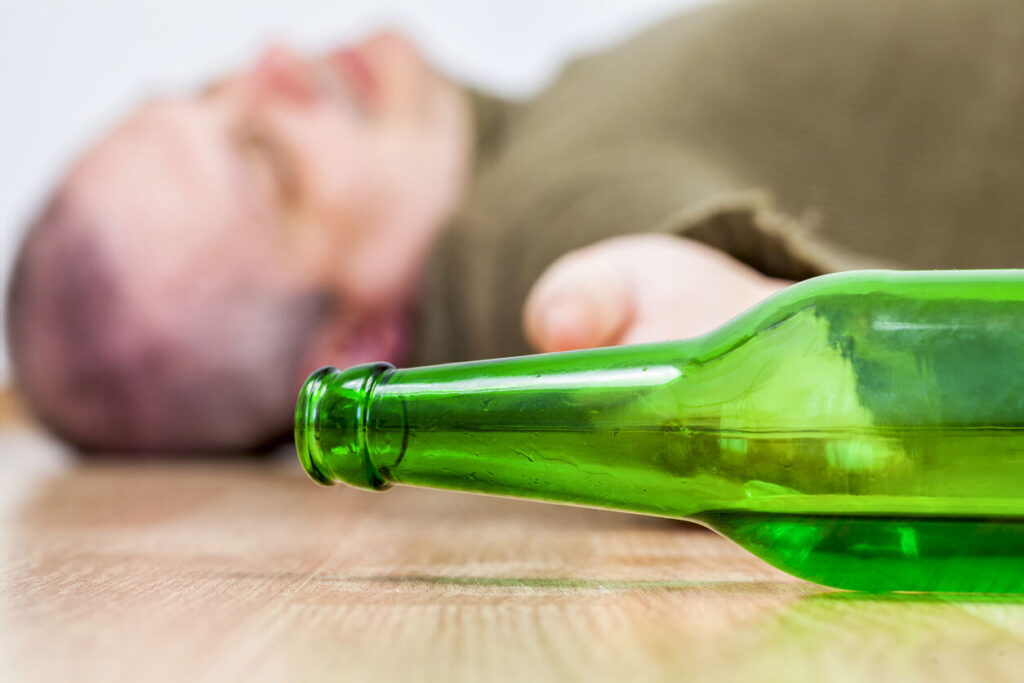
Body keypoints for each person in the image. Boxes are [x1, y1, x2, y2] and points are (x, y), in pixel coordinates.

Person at [7, 0, 1024, 452]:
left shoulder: (530, 142)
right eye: (265, 156)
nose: (272, 62)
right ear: (354, 349)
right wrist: (691, 326)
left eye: (218, 88)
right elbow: (664, 320)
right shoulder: (534, 234)